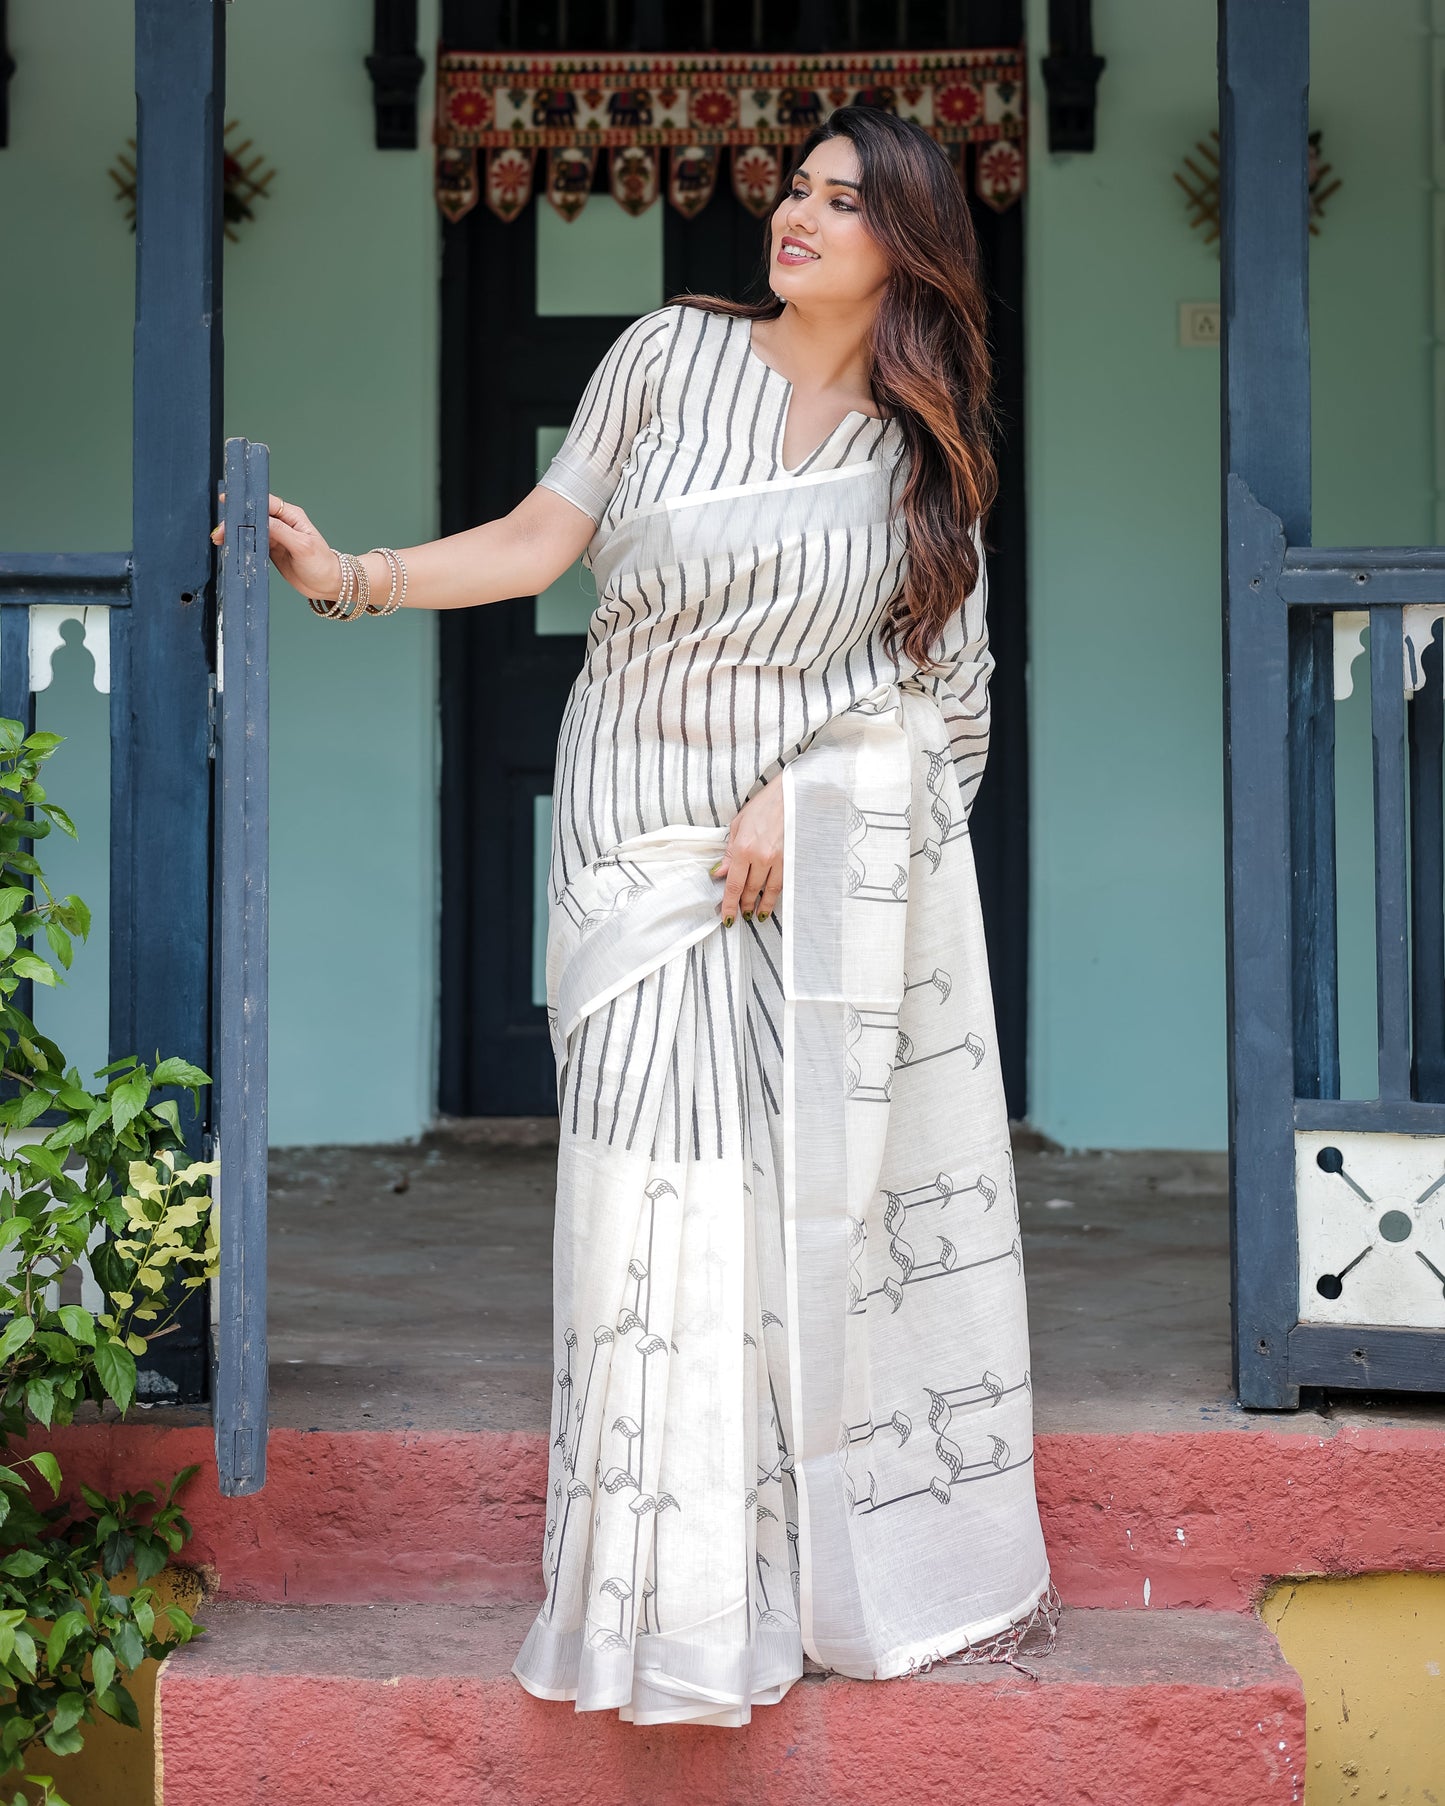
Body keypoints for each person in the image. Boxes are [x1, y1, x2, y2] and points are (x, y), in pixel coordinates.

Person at [227, 105, 1058, 1727]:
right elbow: (548, 541)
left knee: (765, 1229)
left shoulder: (922, 461)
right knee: (644, 1217)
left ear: (907, 244)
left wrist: (807, 796)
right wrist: (351, 576)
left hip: (789, 887)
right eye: (792, 191)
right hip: (627, 853)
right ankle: (645, 1605)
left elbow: (940, 716)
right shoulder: (667, 357)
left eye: (839, 202)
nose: (795, 218)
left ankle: (754, 1581)